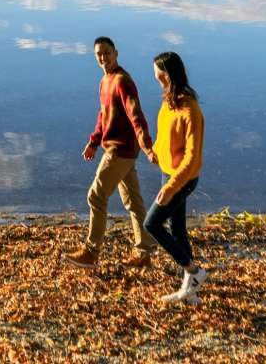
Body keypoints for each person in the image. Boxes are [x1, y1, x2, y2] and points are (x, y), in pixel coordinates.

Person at [66, 36, 156, 270]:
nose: (103, 58)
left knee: (95, 196)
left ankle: (91, 252)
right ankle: (143, 253)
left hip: (120, 150)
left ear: (116, 53)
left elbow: (136, 115)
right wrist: (94, 142)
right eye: (99, 54)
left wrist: (146, 144)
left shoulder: (123, 81)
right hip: (115, 148)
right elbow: (103, 115)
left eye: (107, 53)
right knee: (133, 202)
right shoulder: (105, 81)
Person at [137, 50, 206, 304]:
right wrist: (155, 151)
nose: (155, 78)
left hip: (182, 179)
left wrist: (171, 187)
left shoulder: (190, 109)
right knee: (177, 229)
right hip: (169, 173)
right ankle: (190, 292)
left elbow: (191, 158)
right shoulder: (170, 101)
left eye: (158, 74)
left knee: (151, 224)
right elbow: (166, 135)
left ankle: (194, 271)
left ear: (168, 74)